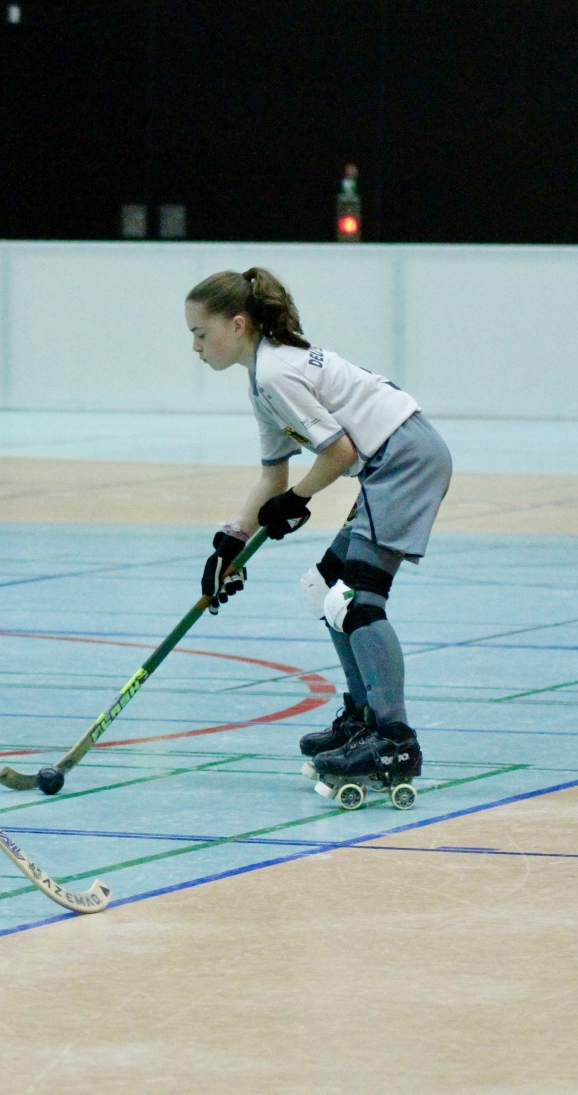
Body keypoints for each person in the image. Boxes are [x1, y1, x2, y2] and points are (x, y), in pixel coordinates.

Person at [185, 268, 452, 805]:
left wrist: (298, 500)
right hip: (390, 462)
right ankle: (363, 718)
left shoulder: (275, 373)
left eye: (199, 332)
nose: (194, 346)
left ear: (236, 325)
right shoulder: (262, 376)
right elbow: (273, 476)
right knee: (321, 589)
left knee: (357, 600)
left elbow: (339, 452)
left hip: (403, 461)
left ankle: (393, 739)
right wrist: (231, 542)